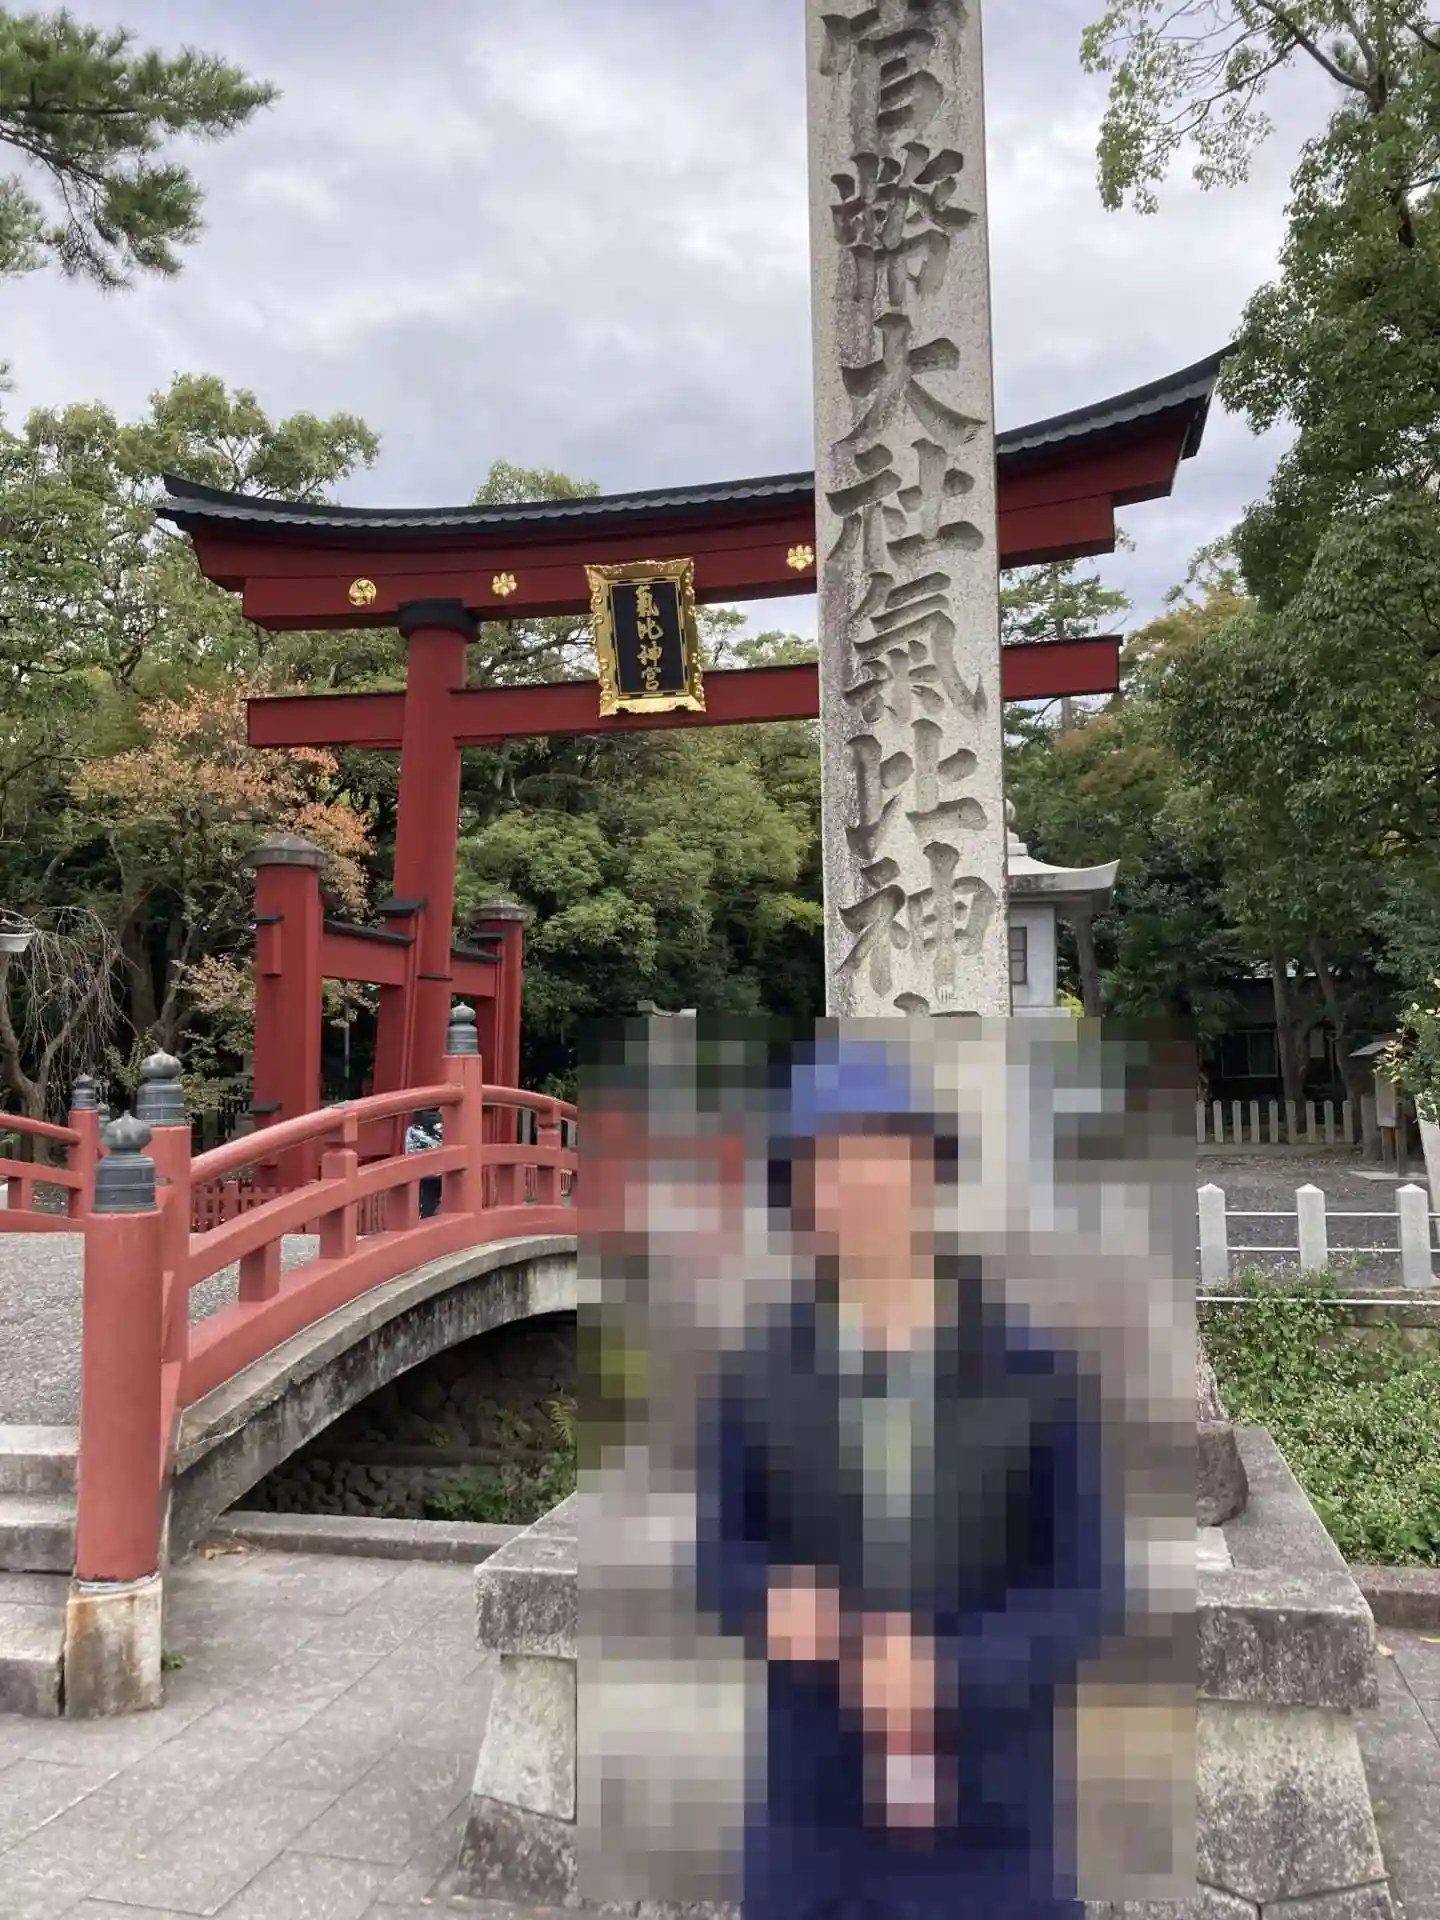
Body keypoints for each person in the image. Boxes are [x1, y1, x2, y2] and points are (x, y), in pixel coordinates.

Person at [693, 1040, 1125, 1920]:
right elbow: (717, 1556)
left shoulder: (1034, 1370)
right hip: (812, 1808)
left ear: (929, 1169)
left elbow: (1089, 1590)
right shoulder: (758, 1373)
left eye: (878, 1154)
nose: (855, 1188)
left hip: (992, 1813)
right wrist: (768, 1599)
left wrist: (948, 1673)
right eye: (823, 1164)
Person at [405, 1106, 444, 1219]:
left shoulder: (412, 1129)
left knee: (423, 1194)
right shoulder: (445, 1127)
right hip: (441, 1169)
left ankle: (423, 1216)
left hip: (418, 1169)